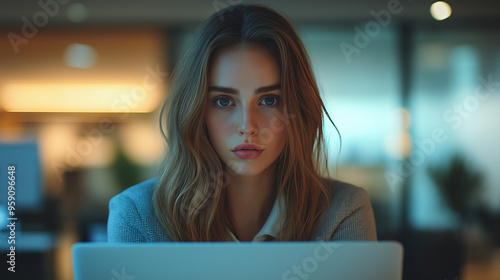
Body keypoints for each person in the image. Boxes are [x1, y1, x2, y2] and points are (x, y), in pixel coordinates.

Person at [107, 4, 377, 242]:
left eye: (269, 100)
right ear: (195, 111)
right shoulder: (137, 215)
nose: (248, 126)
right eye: (224, 101)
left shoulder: (343, 211)